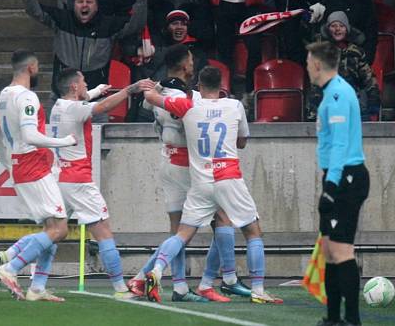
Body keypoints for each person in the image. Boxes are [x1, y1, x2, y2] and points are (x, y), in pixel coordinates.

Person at [141, 66, 282, 304]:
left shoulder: (189, 107)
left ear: (199, 86)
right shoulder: (234, 106)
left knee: (183, 233)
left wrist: (154, 86)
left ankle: (155, 271)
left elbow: (151, 98)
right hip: (228, 178)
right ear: (222, 86)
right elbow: (242, 142)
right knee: (252, 231)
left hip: (201, 181)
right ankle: (258, 289)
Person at [127, 45, 251, 303]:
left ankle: (174, 285)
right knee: (221, 220)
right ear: (185, 65)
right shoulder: (190, 97)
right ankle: (218, 280)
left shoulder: (159, 89)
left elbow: (150, 107)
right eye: (192, 60)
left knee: (178, 229)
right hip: (189, 165)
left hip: (168, 159)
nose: (194, 63)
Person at [49, 69, 154, 299]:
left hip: (61, 178)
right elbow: (101, 108)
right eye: (84, 82)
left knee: (53, 233)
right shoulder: (75, 109)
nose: (87, 84)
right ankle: (119, 288)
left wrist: (97, 90)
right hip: (79, 180)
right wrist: (129, 89)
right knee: (104, 232)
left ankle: (22, 271)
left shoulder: (58, 106)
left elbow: (86, 100)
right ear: (75, 87)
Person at [0, 49, 78, 302]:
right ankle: (10, 267)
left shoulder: (3, 97)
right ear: (31, 68)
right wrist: (63, 142)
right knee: (60, 229)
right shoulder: (27, 97)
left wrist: (10, 165)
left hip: (21, 165)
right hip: (33, 164)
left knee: (50, 229)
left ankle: (37, 288)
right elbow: (30, 136)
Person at [306, 41, 369, 326]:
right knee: (330, 251)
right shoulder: (331, 92)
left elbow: (341, 144)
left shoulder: (338, 95)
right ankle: (333, 318)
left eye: (309, 62)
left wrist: (331, 187)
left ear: (317, 64)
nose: (307, 67)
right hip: (337, 175)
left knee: (342, 249)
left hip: (346, 177)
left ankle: (352, 320)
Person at [18, 0, 147, 102]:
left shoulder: (108, 25)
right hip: (62, 98)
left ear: (96, 6)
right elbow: (33, 10)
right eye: (80, 1)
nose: (84, 5)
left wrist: (141, 0)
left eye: (89, 2)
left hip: (97, 100)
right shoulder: (62, 19)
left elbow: (136, 25)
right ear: (74, 4)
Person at [308, 11, 380, 121]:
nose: (337, 29)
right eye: (333, 26)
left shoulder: (356, 52)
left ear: (347, 29)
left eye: (341, 26)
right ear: (328, 29)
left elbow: (368, 79)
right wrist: (314, 111)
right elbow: (316, 84)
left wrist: (374, 101)